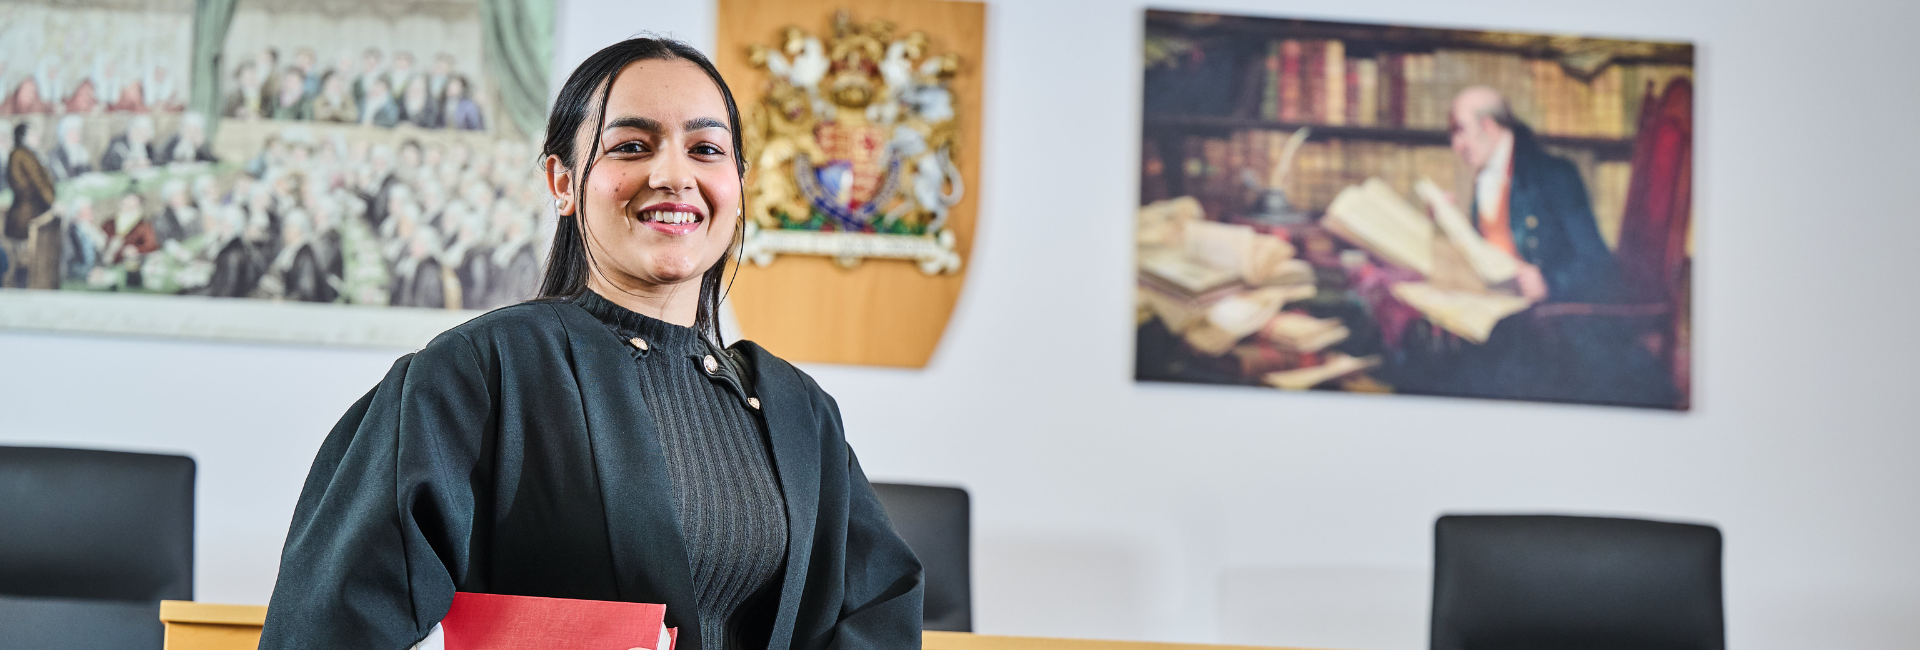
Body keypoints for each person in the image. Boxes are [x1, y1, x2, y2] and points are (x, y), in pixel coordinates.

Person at [258, 36, 923, 650]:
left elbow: (882, 610)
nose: (673, 174)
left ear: (738, 188)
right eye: (632, 146)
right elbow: (329, 626)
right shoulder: (480, 374)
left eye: (706, 149)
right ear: (562, 183)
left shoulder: (798, 412)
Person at [1397, 86, 1674, 406]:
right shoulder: (1484, 178)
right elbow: (1488, 257)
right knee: (1418, 339)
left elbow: (1597, 263)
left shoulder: (1554, 175)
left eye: (1460, 132)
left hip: (1551, 327)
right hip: (1502, 313)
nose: (1455, 145)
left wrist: (1549, 282)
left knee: (1444, 372)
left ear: (1488, 126)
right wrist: (1446, 226)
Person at [6, 121, 56, 288]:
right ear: (23, 137)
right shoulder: (21, 155)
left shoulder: (30, 154)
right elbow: (36, 183)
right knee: (23, 255)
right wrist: (51, 202)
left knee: (29, 255)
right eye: (33, 134)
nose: (38, 137)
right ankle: (21, 288)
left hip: (33, 210)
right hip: (25, 213)